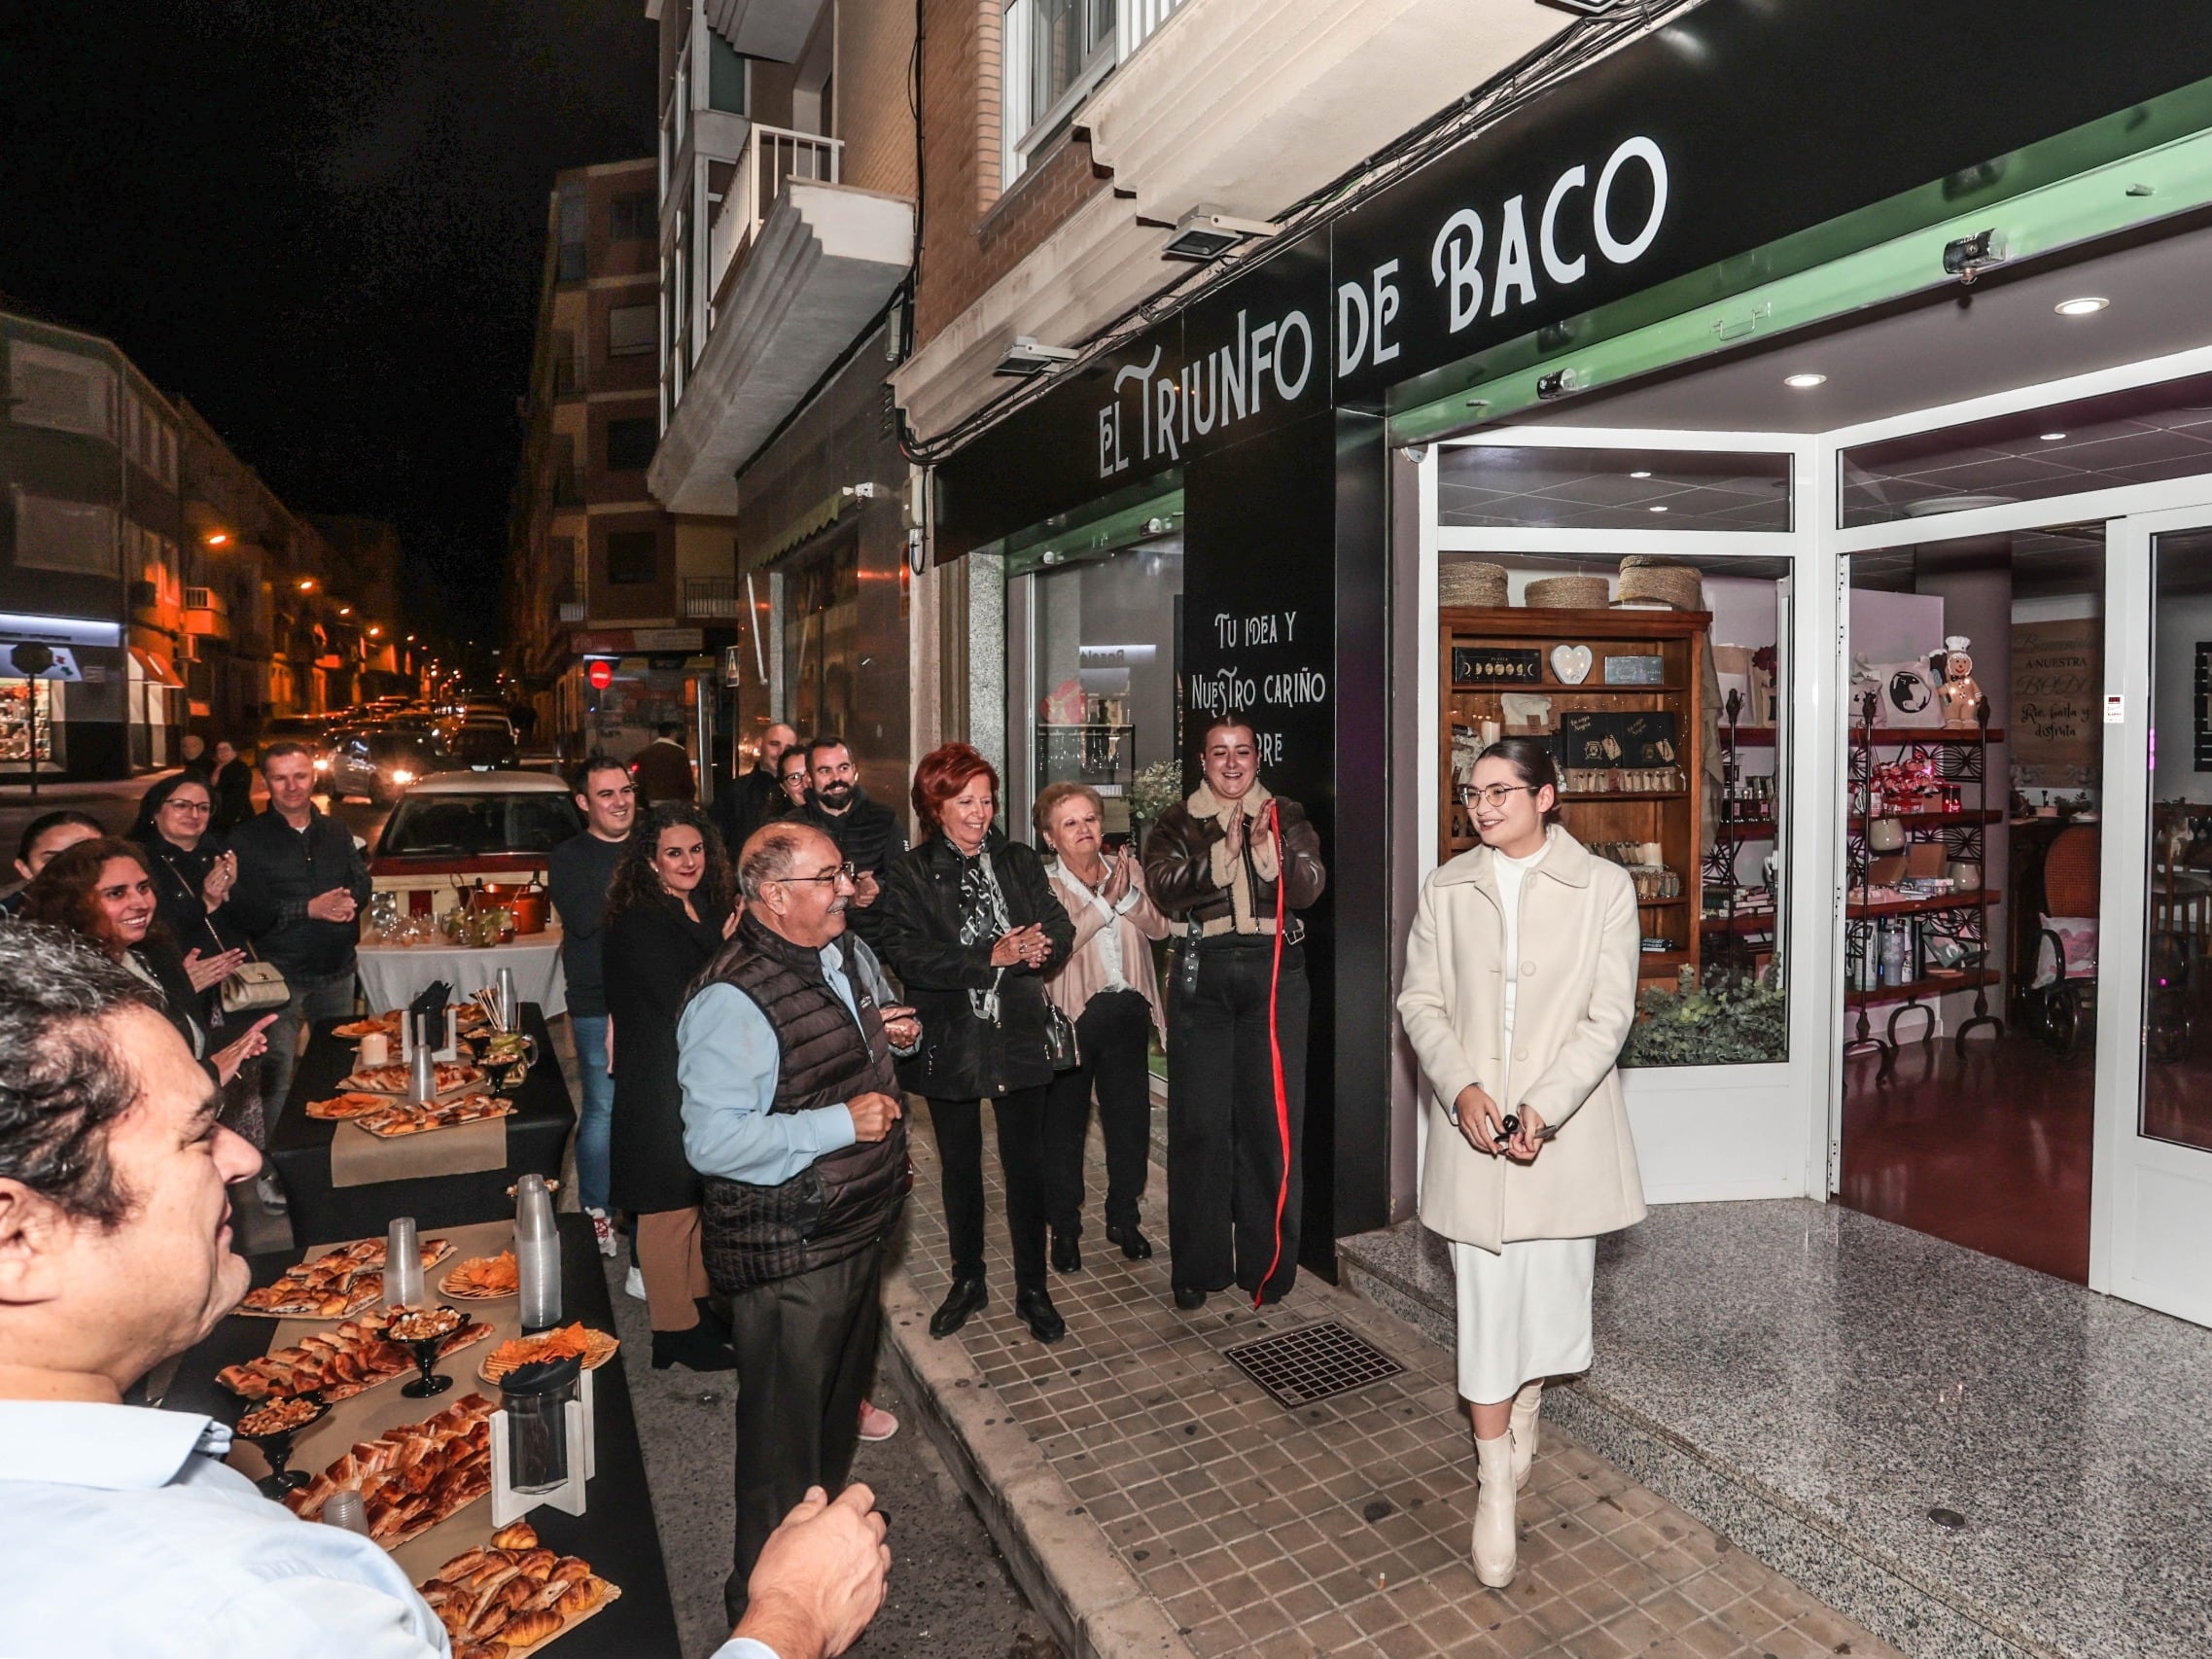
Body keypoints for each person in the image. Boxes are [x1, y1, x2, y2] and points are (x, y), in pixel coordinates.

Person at [0, 918, 888, 1659]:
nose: (243, 1158)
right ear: (16, 1233)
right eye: (198, 1136)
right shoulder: (237, 1605)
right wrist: (790, 1623)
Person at [1396, 738, 1646, 1589]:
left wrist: (1543, 1106)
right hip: (1472, 1141)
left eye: (1502, 790)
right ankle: (1492, 1480)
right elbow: (1420, 1001)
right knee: (1484, 1313)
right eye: (1473, 792)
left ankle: (1526, 1404)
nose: (1483, 805)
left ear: (1548, 795)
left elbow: (1607, 1016)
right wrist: (1459, 1086)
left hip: (1558, 1140)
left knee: (1546, 1310)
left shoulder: (1604, 889)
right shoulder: (1447, 886)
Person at [680, 821, 918, 1623]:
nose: (846, 886)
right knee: (781, 1463)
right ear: (776, 898)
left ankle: (819, 1585)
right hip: (789, 1257)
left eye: (843, 871)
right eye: (829, 877)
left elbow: (825, 1052)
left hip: (850, 1234)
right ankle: (763, 1614)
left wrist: (881, 1033)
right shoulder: (730, 997)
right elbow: (714, 1142)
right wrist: (838, 1126)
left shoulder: (836, 952)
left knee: (822, 1441)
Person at [874, 744, 1073, 1344]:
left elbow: (1056, 922)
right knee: (960, 1168)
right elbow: (905, 953)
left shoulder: (1016, 860)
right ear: (935, 806)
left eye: (986, 800)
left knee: (1026, 1168)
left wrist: (1044, 949)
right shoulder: (910, 872)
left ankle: (1032, 1289)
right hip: (951, 1039)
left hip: (1016, 1033)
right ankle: (968, 1280)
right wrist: (989, 956)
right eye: (966, 802)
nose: (980, 813)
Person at [1143, 718, 1327, 1311]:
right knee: (1197, 1128)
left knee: (1270, 1126)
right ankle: (1196, 1267)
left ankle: (1269, 1266)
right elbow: (1166, 889)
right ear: (1202, 760)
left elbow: (1310, 888)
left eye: (1241, 752)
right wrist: (1223, 856)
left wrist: (1271, 855)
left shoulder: (1287, 815)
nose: (1231, 763)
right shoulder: (1176, 822)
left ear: (1257, 755)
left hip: (1277, 978)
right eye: (1219, 753)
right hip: (1204, 978)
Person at [602, 801, 738, 1371]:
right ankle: (674, 1331)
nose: (689, 862)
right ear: (651, 862)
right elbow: (685, 995)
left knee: (695, 1198)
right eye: (674, 853)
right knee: (666, 1207)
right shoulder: (640, 918)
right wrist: (728, 947)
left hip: (694, 1071)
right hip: (659, 1076)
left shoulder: (700, 904)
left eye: (697, 850)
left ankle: (698, 1310)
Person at [1036, 782, 1171, 1268]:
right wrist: (1103, 905)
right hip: (1072, 1021)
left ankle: (1124, 1217)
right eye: (1069, 823)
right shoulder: (1044, 886)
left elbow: (1161, 927)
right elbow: (1056, 947)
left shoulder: (1127, 869)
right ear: (1051, 837)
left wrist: (1127, 893)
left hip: (1128, 1014)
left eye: (1090, 818)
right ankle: (1065, 1229)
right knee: (1064, 1129)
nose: (1084, 829)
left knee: (1130, 1125)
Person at [227, 741, 369, 1191]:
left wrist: (350, 902)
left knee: (337, 1069)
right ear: (265, 783)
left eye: (300, 776)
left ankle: (335, 1157)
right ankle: (279, 1174)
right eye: (281, 778)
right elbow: (250, 912)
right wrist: (309, 908)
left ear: (314, 777)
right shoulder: (246, 840)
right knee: (277, 1077)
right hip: (277, 976)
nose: (292, 786)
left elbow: (360, 881)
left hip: (336, 968)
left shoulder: (337, 831)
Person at [19, 840, 272, 1091]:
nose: (140, 902)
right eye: (116, 893)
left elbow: (184, 1039)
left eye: (143, 887)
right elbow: (112, 1088)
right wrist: (212, 1072)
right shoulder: (67, 983)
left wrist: (233, 1043)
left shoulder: (154, 952)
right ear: (74, 904)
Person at [128, 775, 262, 1147]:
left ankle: (244, 1169)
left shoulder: (220, 852)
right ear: (156, 810)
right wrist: (204, 902)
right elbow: (151, 930)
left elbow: (262, 918)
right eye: (181, 805)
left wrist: (233, 891)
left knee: (240, 1088)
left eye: (203, 807)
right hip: (180, 993)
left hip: (234, 992)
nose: (194, 814)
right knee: (195, 1093)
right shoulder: (136, 861)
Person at [546, 755, 637, 1256]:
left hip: (651, 998)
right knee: (602, 1108)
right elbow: (583, 920)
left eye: (625, 790)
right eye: (606, 794)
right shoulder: (569, 857)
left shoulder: (654, 845)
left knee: (650, 1107)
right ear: (583, 803)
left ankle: (645, 1211)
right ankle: (596, 1213)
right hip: (596, 1001)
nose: (620, 802)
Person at [797, 737, 906, 939]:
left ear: (854, 771)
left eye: (843, 768)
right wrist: (848, 898)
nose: (836, 778)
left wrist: (876, 888)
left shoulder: (885, 819)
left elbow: (905, 884)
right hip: (815, 950)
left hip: (877, 949)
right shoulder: (794, 827)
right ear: (809, 778)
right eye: (825, 771)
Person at [713, 722, 799, 855]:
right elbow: (716, 843)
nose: (781, 753)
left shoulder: (802, 792)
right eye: (774, 744)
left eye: (788, 748)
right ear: (759, 744)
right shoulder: (733, 792)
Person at [4, 809, 103, 916]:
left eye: (91, 857)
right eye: (53, 860)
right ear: (25, 869)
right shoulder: (8, 918)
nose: (74, 868)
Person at [631, 720, 696, 807]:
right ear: (674, 733)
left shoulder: (645, 753)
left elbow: (640, 781)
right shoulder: (678, 753)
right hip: (675, 803)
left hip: (652, 802)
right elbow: (687, 782)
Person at [210, 740, 255, 832]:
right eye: (219, 750)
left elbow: (237, 794)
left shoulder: (240, 769)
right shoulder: (215, 767)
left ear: (234, 751)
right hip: (220, 816)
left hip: (236, 818)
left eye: (226, 749)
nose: (222, 752)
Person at [776, 747, 812, 813]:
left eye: (809, 773)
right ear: (784, 788)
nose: (805, 785)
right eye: (794, 777)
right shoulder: (782, 822)